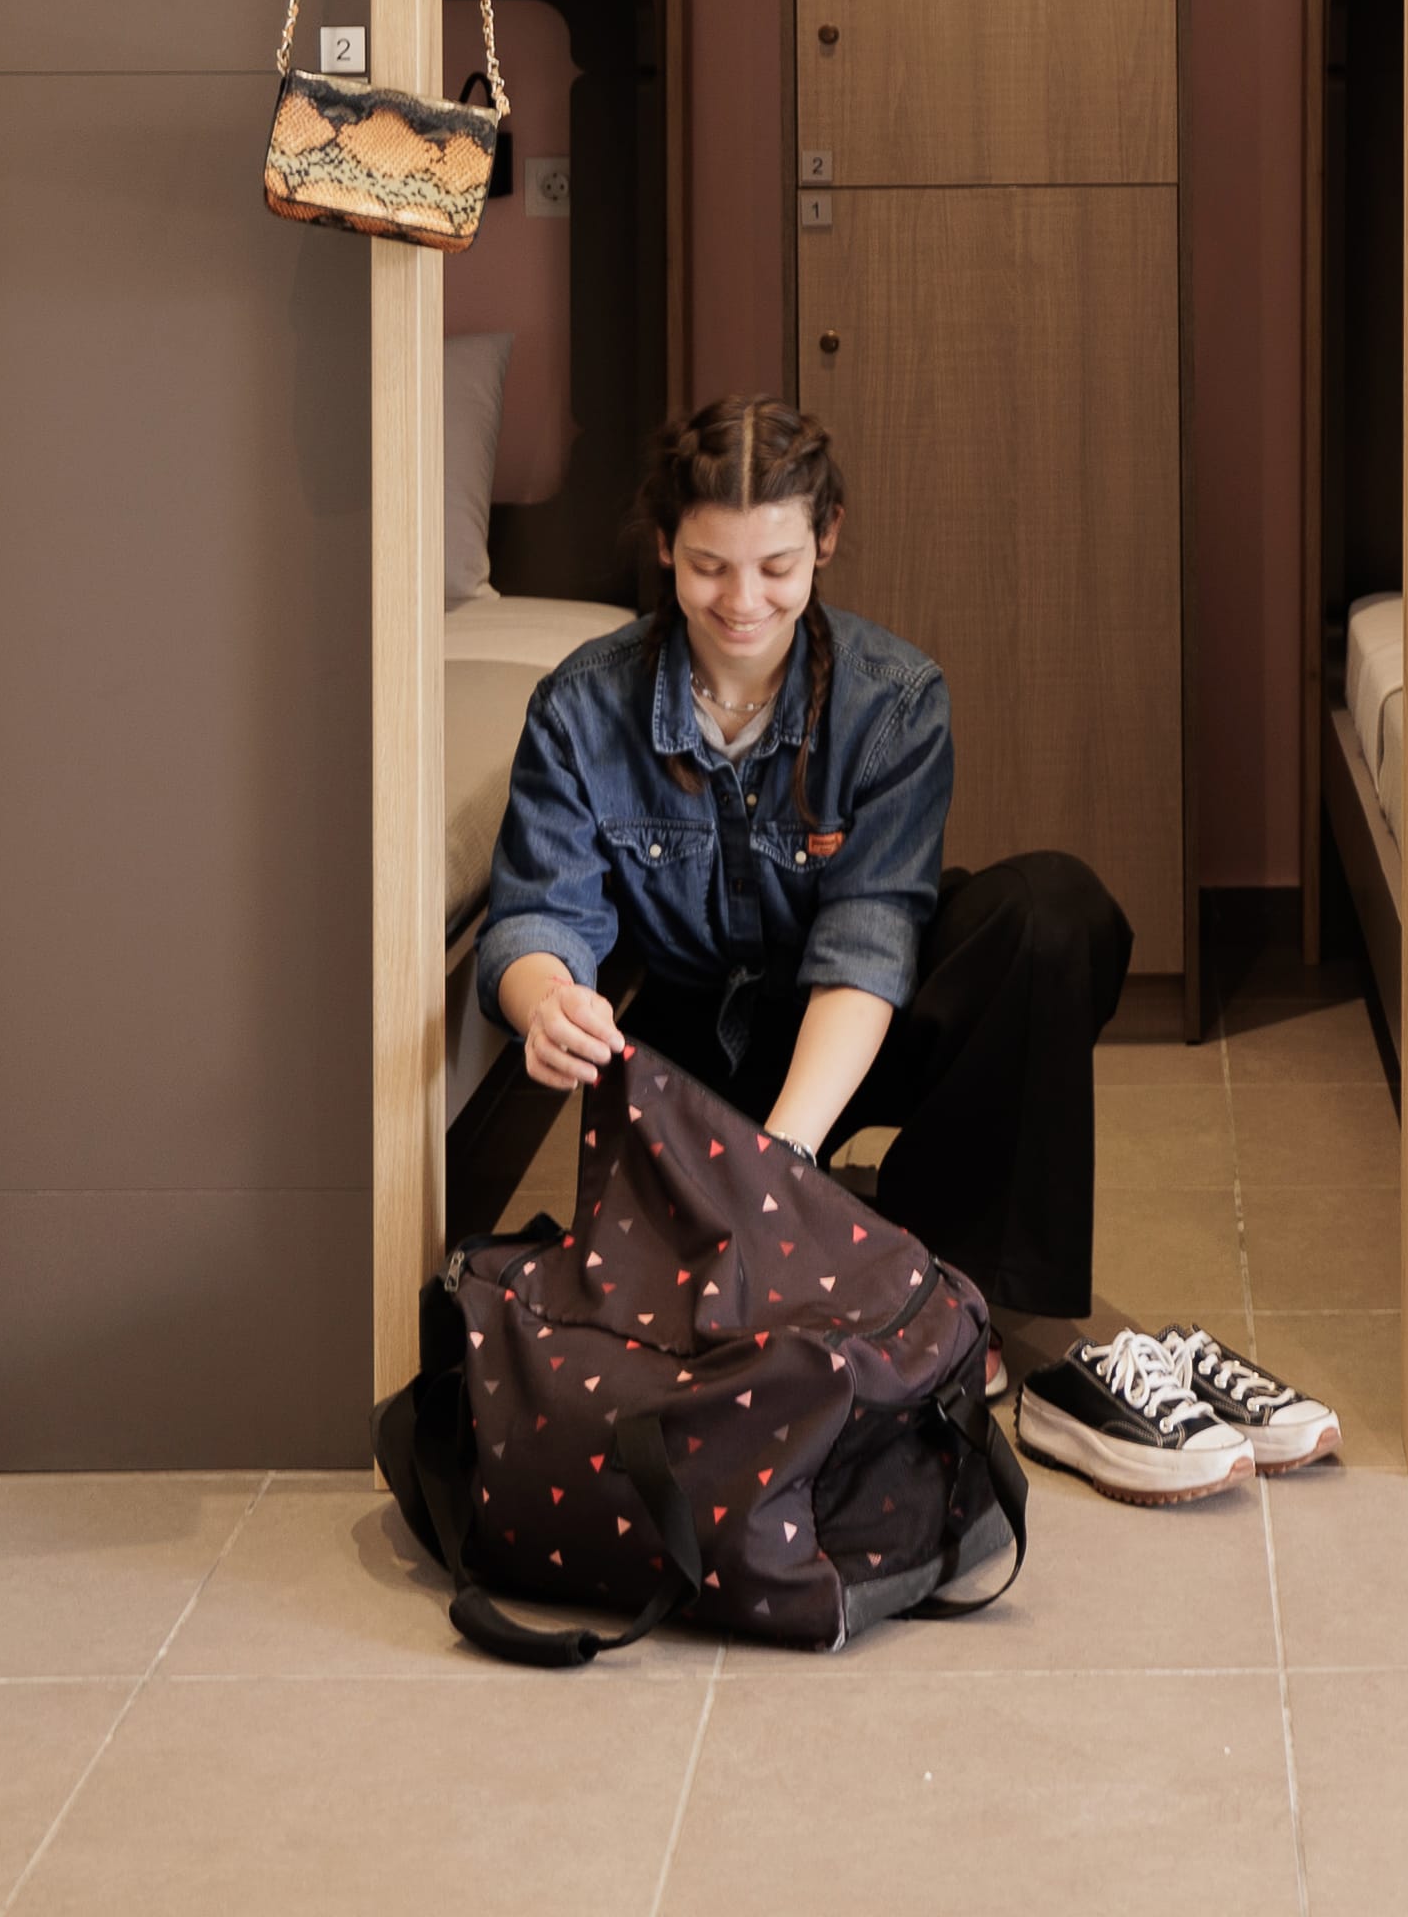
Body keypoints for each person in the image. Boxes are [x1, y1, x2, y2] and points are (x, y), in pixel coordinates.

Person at [467, 395, 1340, 1506]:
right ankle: (858, 1239)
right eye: (707, 568)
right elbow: (538, 917)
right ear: (663, 548)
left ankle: (963, 1300)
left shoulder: (893, 698)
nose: (742, 602)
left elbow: (869, 943)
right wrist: (544, 1000)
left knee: (1050, 910)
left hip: (847, 1030)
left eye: (777, 566)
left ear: (827, 537)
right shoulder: (580, 705)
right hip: (685, 1054)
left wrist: (777, 1168)